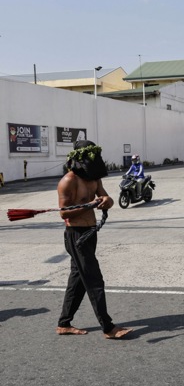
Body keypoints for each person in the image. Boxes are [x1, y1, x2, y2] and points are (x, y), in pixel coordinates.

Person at [56, 140, 132, 339]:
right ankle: (108, 327)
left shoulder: (94, 179)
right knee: (94, 279)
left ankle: (64, 323)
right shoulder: (68, 180)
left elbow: (107, 199)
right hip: (76, 236)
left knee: (78, 279)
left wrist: (107, 201)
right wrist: (90, 205)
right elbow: (64, 213)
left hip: (90, 233)